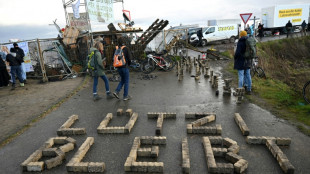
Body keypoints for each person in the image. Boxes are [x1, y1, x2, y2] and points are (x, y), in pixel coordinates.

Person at [234, 31, 252, 95]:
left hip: (241, 61)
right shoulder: (249, 41)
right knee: (248, 75)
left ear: (241, 35)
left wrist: (235, 57)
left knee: (241, 76)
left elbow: (237, 53)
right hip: (248, 61)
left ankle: (240, 90)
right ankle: (249, 89)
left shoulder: (240, 42)